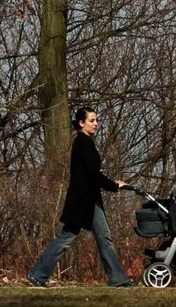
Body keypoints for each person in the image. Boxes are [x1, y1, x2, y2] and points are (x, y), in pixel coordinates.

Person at [27, 107, 131, 287]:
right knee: (67, 237)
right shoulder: (83, 142)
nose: (96, 123)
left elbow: (92, 174)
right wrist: (114, 186)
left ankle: (118, 279)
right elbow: (94, 174)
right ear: (81, 123)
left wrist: (111, 184)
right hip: (82, 201)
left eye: (96, 120)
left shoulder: (86, 142)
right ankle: (37, 274)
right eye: (92, 120)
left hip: (90, 200)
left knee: (103, 237)